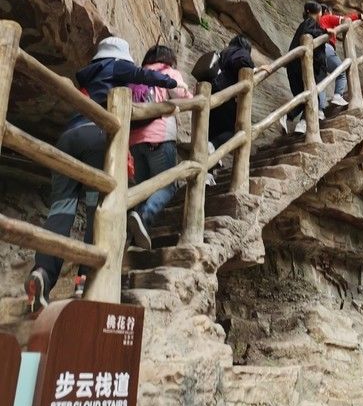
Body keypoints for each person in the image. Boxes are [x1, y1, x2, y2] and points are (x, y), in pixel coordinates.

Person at [25, 37, 177, 312]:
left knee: (61, 209)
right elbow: (144, 75)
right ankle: (86, 278)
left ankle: (43, 273)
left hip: (69, 137)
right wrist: (170, 84)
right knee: (97, 210)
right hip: (97, 138)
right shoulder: (117, 66)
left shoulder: (89, 73)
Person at [127, 45, 193, 251]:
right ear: (168, 58)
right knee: (166, 186)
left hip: (135, 142)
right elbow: (184, 96)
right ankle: (143, 217)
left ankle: (131, 237)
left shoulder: (139, 76)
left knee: (144, 189)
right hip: (159, 138)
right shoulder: (167, 72)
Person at [208, 36, 266, 147]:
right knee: (238, 129)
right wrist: (253, 69)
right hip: (226, 95)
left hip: (213, 93)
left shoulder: (223, 54)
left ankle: (211, 152)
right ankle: (211, 147)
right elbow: (242, 61)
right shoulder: (240, 52)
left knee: (215, 128)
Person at [280, 2, 327, 135]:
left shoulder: (305, 24)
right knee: (310, 98)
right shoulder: (310, 23)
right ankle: (296, 121)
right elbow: (309, 33)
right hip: (301, 66)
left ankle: (299, 124)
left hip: (295, 65)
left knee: (305, 98)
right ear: (319, 13)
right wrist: (324, 32)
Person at [318, 5, 362, 107]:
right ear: (326, 11)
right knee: (342, 71)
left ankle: (320, 110)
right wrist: (359, 16)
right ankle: (338, 95)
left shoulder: (315, 23)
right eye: (331, 11)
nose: (332, 14)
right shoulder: (326, 17)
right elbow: (345, 20)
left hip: (316, 53)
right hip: (326, 48)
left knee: (321, 81)